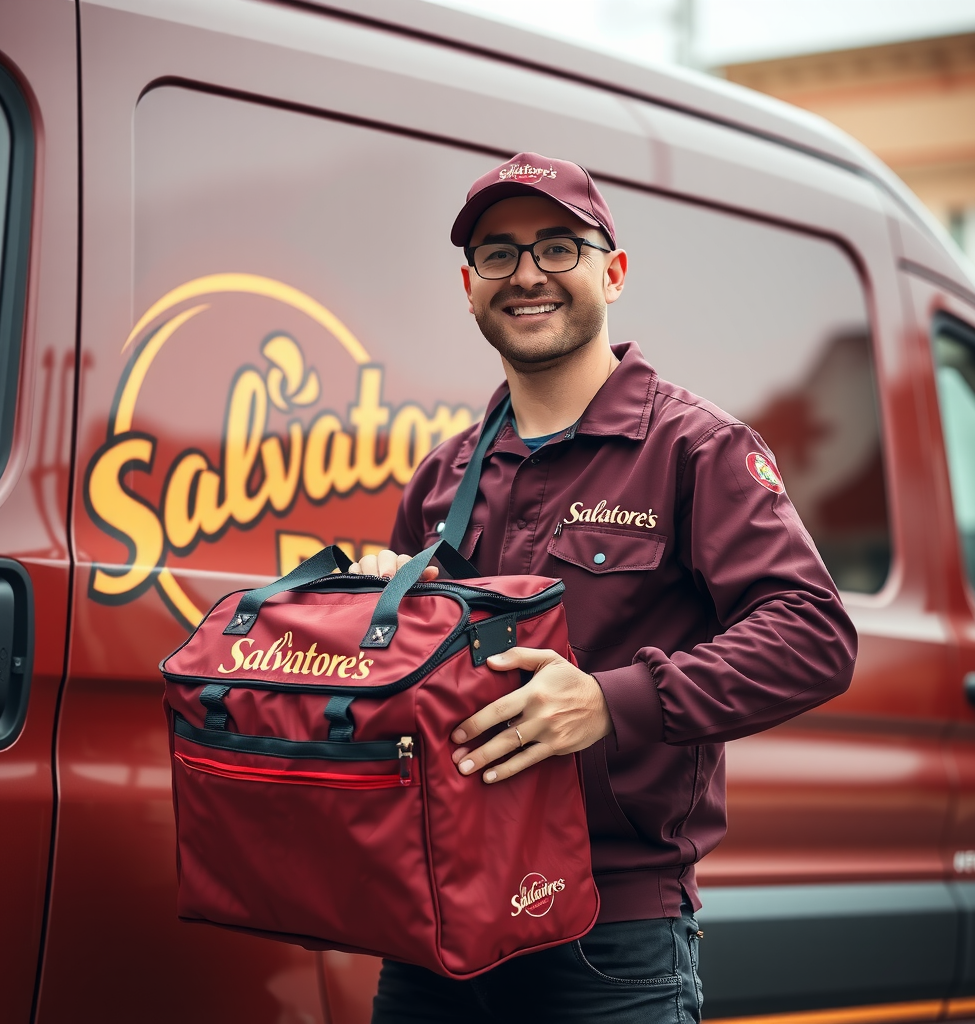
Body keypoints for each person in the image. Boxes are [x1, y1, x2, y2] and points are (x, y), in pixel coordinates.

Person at [350, 152, 858, 1023]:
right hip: (437, 925)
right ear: (469, 289)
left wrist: (613, 701)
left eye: (558, 248)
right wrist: (375, 614)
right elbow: (406, 698)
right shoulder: (444, 478)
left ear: (612, 273)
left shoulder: (696, 448)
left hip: (607, 934)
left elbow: (814, 634)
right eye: (499, 255)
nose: (528, 275)